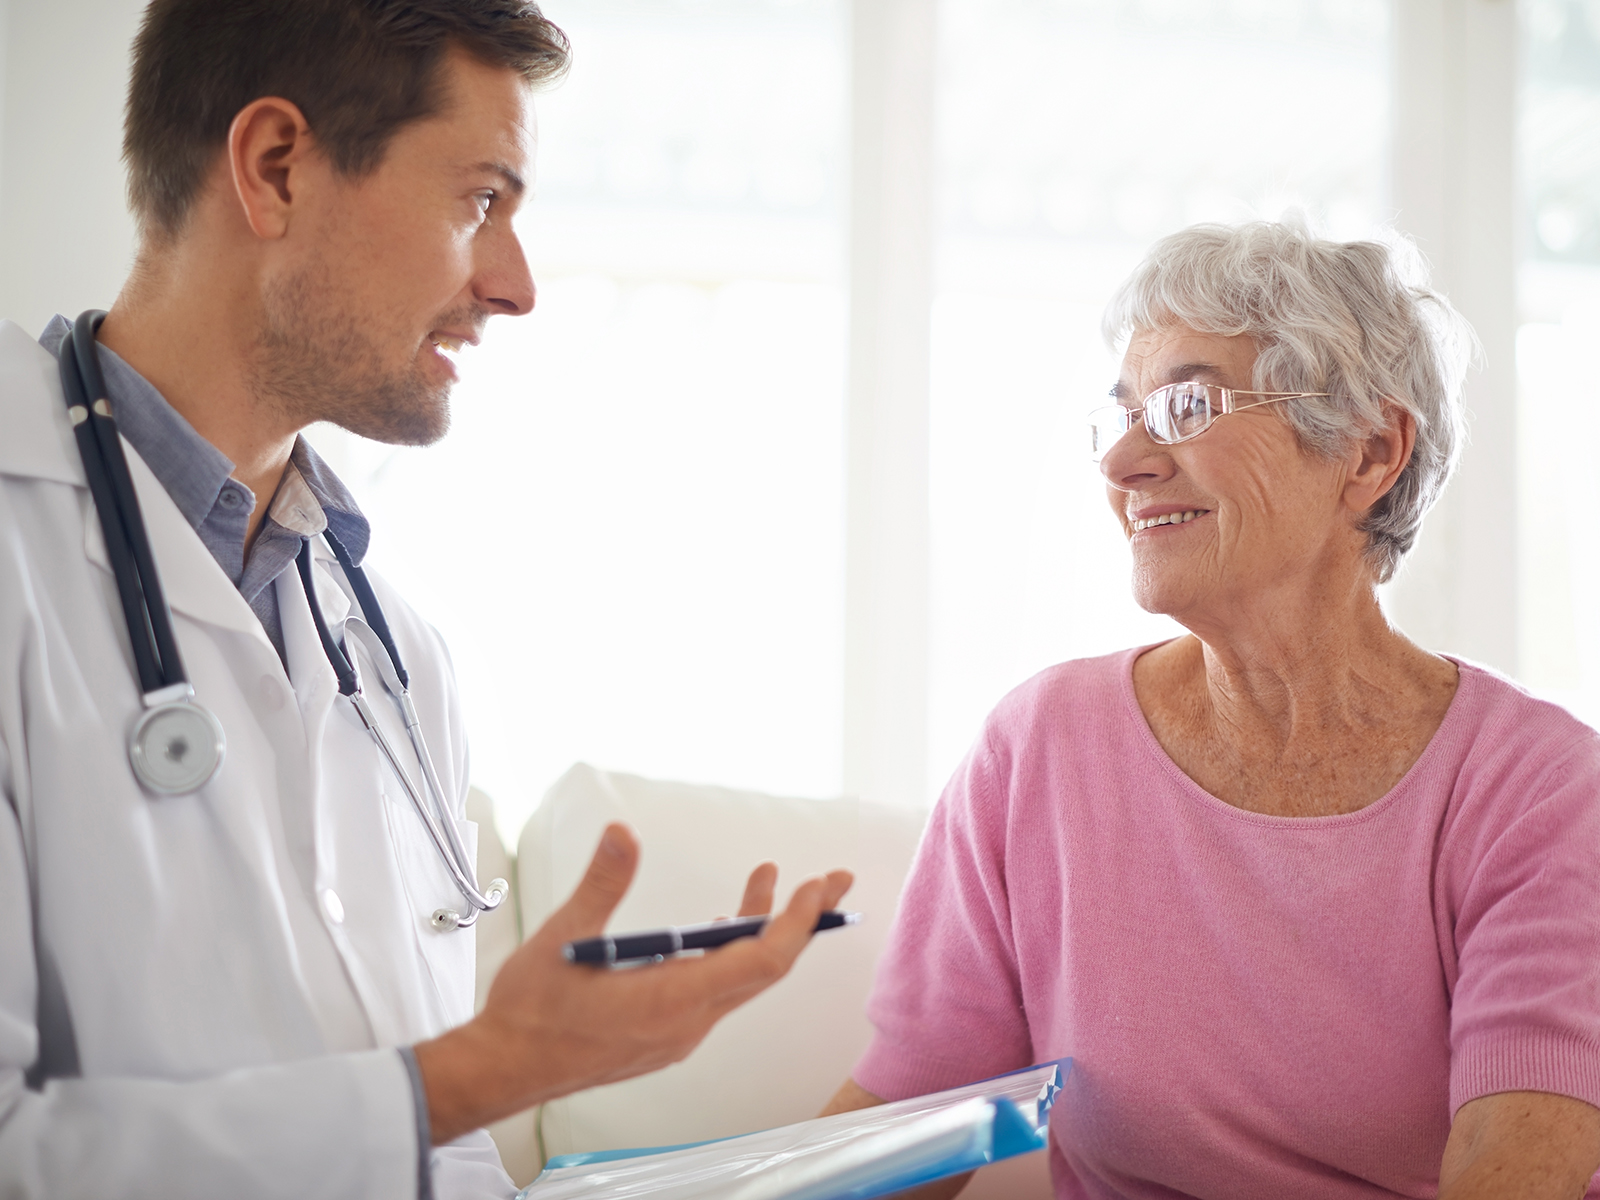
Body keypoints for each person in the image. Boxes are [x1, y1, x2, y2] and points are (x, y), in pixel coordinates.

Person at [0, 2, 852, 1197]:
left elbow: (432, 1161)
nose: (515, 284)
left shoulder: (398, 655)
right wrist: (479, 1072)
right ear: (276, 168)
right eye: (479, 201)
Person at [822, 222, 1600, 1198]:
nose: (1125, 465)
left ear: (1368, 451)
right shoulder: (1041, 749)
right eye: (1123, 417)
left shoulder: (1536, 787)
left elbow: (1515, 1173)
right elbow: (913, 1131)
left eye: (1187, 406)